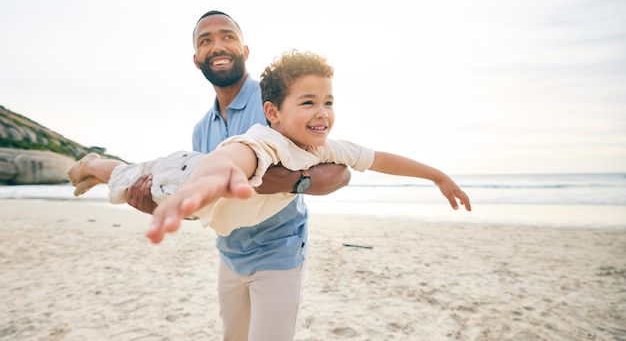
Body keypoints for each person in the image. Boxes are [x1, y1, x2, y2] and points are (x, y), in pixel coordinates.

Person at [125, 11, 350, 341]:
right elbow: (208, 203)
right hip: (229, 255)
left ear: (245, 51)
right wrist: (160, 205)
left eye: (228, 36)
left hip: (279, 254)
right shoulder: (202, 129)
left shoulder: (276, 103)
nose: (217, 46)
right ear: (196, 59)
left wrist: (288, 182)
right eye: (206, 41)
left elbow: (341, 172)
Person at [66, 51, 471, 234]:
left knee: (127, 172)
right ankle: (90, 164)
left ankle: (94, 170)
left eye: (328, 102)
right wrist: (206, 187)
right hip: (183, 179)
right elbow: (229, 160)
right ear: (273, 113)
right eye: (308, 102)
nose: (322, 113)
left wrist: (436, 176)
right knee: (123, 175)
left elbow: (379, 158)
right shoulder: (266, 140)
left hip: (201, 196)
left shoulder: (326, 147)